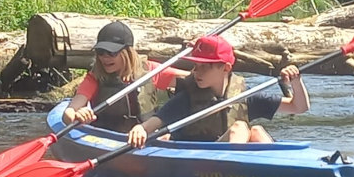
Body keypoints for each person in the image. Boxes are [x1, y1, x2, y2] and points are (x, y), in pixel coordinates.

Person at [126, 34, 307, 147]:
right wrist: (140, 130)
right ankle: (239, 176)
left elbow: (298, 107)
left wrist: (296, 82)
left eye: (206, 67)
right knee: (240, 128)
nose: (197, 71)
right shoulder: (186, 99)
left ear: (226, 69)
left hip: (226, 162)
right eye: (196, 65)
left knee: (257, 131)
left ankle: (276, 174)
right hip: (202, 165)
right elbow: (151, 125)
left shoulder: (244, 96)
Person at [62, 21, 184, 133]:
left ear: (127, 52)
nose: (105, 57)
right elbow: (69, 112)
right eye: (100, 52)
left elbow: (196, 79)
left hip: (145, 138)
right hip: (107, 138)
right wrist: (77, 115)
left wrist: (198, 51)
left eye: (112, 52)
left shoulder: (150, 70)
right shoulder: (95, 78)